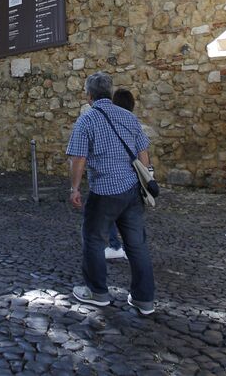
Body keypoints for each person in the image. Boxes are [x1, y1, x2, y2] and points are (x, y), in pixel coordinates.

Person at [67, 72, 156, 315]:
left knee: (94, 239)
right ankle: (144, 299)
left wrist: (75, 188)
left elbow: (79, 158)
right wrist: (148, 179)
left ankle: (98, 292)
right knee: (137, 245)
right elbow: (143, 152)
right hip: (131, 190)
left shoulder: (87, 120)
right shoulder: (128, 117)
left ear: (89, 95)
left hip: (104, 190)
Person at [103, 88, 138, 261]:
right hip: (132, 181)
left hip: (111, 181)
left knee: (109, 214)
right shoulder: (134, 122)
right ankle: (132, 249)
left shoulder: (108, 123)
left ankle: (115, 246)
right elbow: (143, 154)